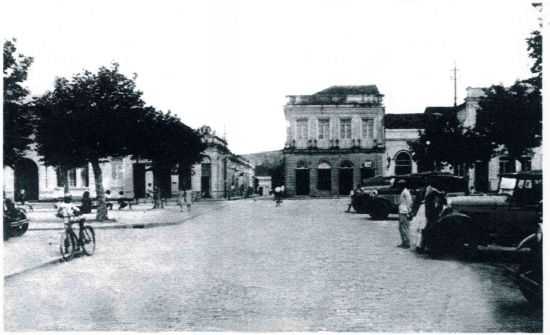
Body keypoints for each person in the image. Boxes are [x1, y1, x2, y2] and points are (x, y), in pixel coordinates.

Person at [397, 179, 413, 248]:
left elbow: (409, 202)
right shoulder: (403, 192)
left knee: (404, 227)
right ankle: (404, 241)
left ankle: (407, 243)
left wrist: (409, 212)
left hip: (404, 212)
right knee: (401, 227)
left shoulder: (406, 192)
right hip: (402, 211)